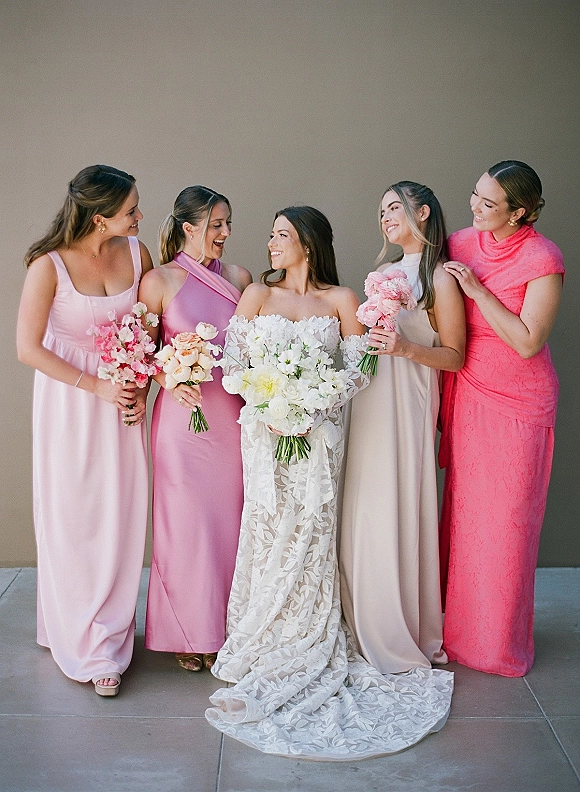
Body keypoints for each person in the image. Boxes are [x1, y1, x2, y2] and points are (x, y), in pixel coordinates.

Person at [205, 206, 454, 760]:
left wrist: (312, 405)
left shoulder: (342, 300)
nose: (270, 243)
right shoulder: (258, 298)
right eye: (270, 233)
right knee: (267, 531)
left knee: (311, 537)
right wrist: (270, 403)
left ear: (308, 244)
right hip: (266, 437)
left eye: (281, 235)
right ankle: (262, 636)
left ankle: (310, 637)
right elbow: (233, 365)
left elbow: (359, 369)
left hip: (318, 440)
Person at [16, 165, 153, 696]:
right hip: (70, 402)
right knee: (72, 513)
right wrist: (93, 385)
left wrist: (142, 383)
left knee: (119, 513)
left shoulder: (139, 254)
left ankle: (110, 635)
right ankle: (77, 633)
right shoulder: (47, 266)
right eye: (131, 210)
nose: (140, 217)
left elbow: (150, 324)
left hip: (124, 403)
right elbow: (28, 349)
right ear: (101, 218)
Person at [439, 160, 564, 677]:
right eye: (475, 195)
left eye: (489, 204)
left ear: (519, 213)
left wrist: (477, 292)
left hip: (518, 402)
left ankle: (496, 644)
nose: (475, 208)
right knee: (467, 519)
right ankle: (454, 630)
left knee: (507, 525)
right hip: (469, 391)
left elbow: (527, 341)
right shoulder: (460, 243)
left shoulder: (543, 258)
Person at [340, 181, 465, 674]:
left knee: (397, 501)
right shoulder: (382, 274)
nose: (385, 217)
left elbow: (454, 355)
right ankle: (362, 614)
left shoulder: (442, 279)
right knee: (366, 503)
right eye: (382, 210)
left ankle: (400, 625)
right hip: (370, 403)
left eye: (394, 207)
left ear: (424, 213)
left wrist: (404, 349)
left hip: (408, 402)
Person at [139, 186, 251, 673]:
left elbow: (254, 347)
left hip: (232, 417)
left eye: (228, 224)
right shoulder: (158, 281)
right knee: (185, 526)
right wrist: (170, 374)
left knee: (230, 522)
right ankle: (187, 631)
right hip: (182, 423)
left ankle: (229, 628)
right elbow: (142, 354)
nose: (226, 233)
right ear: (189, 228)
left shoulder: (243, 278)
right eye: (217, 224)